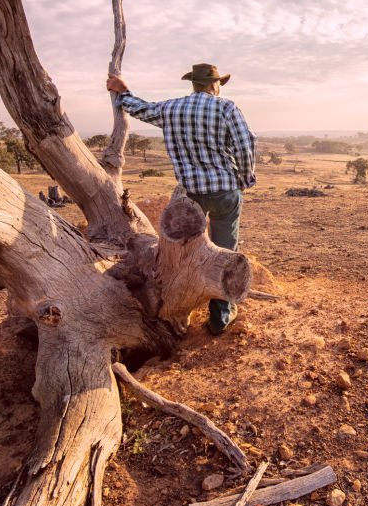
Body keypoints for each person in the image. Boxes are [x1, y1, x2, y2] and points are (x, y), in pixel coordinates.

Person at [106, 63, 256, 334]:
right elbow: (246, 145)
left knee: (190, 252)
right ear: (214, 85)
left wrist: (122, 91)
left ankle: (179, 304)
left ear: (194, 84)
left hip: (191, 195)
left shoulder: (171, 108)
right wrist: (244, 179)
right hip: (224, 190)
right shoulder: (226, 108)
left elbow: (140, 109)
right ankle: (221, 316)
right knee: (225, 248)